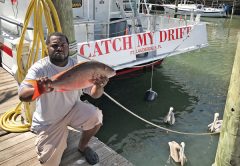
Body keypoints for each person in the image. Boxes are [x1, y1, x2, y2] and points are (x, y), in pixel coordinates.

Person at [18, 32, 108, 165]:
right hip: (49, 121)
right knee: (50, 161)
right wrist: (41, 89)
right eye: (54, 45)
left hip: (71, 110)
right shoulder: (39, 68)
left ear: (68, 47)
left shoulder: (77, 66)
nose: (59, 48)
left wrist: (99, 86)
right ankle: (50, 139)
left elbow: (95, 94)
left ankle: (83, 147)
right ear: (47, 47)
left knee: (96, 116)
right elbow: (22, 95)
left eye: (63, 45)